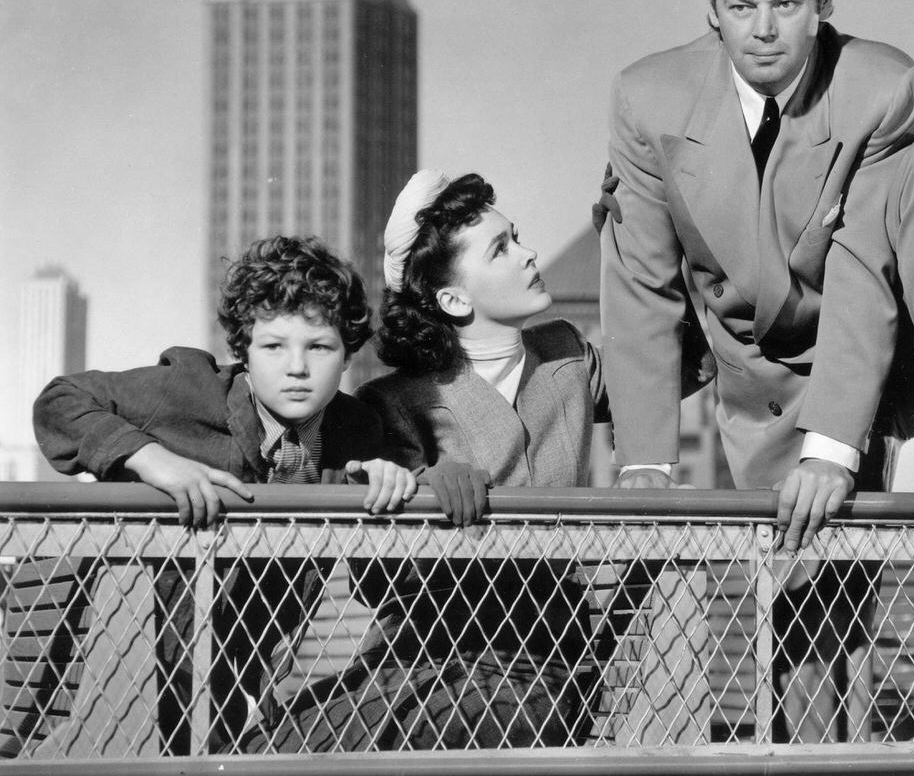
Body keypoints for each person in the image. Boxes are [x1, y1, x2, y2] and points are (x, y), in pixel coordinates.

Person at [598, 0, 914, 741]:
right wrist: (645, 462)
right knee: (802, 614)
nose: (763, 31)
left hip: (874, 339)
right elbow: (641, 285)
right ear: (711, 9)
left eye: (785, 4)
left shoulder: (881, 86)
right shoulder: (647, 98)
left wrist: (833, 445)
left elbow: (861, 269)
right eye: (741, 7)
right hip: (755, 361)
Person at [5, 236, 421, 757]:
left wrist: (388, 489)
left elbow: (376, 584)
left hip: (228, 672)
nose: (297, 367)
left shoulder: (357, 430)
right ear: (244, 351)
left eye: (319, 346)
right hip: (104, 653)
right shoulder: (188, 390)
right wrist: (148, 457)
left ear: (346, 357)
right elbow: (60, 400)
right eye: (274, 346)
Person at [252, 172, 616, 751]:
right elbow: (376, 581)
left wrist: (634, 239)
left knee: (290, 747)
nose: (529, 254)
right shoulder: (395, 401)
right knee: (277, 745)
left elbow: (671, 370)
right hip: (419, 651)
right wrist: (420, 487)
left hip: (539, 659)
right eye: (502, 248)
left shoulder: (566, 355)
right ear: (453, 298)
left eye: (516, 238)